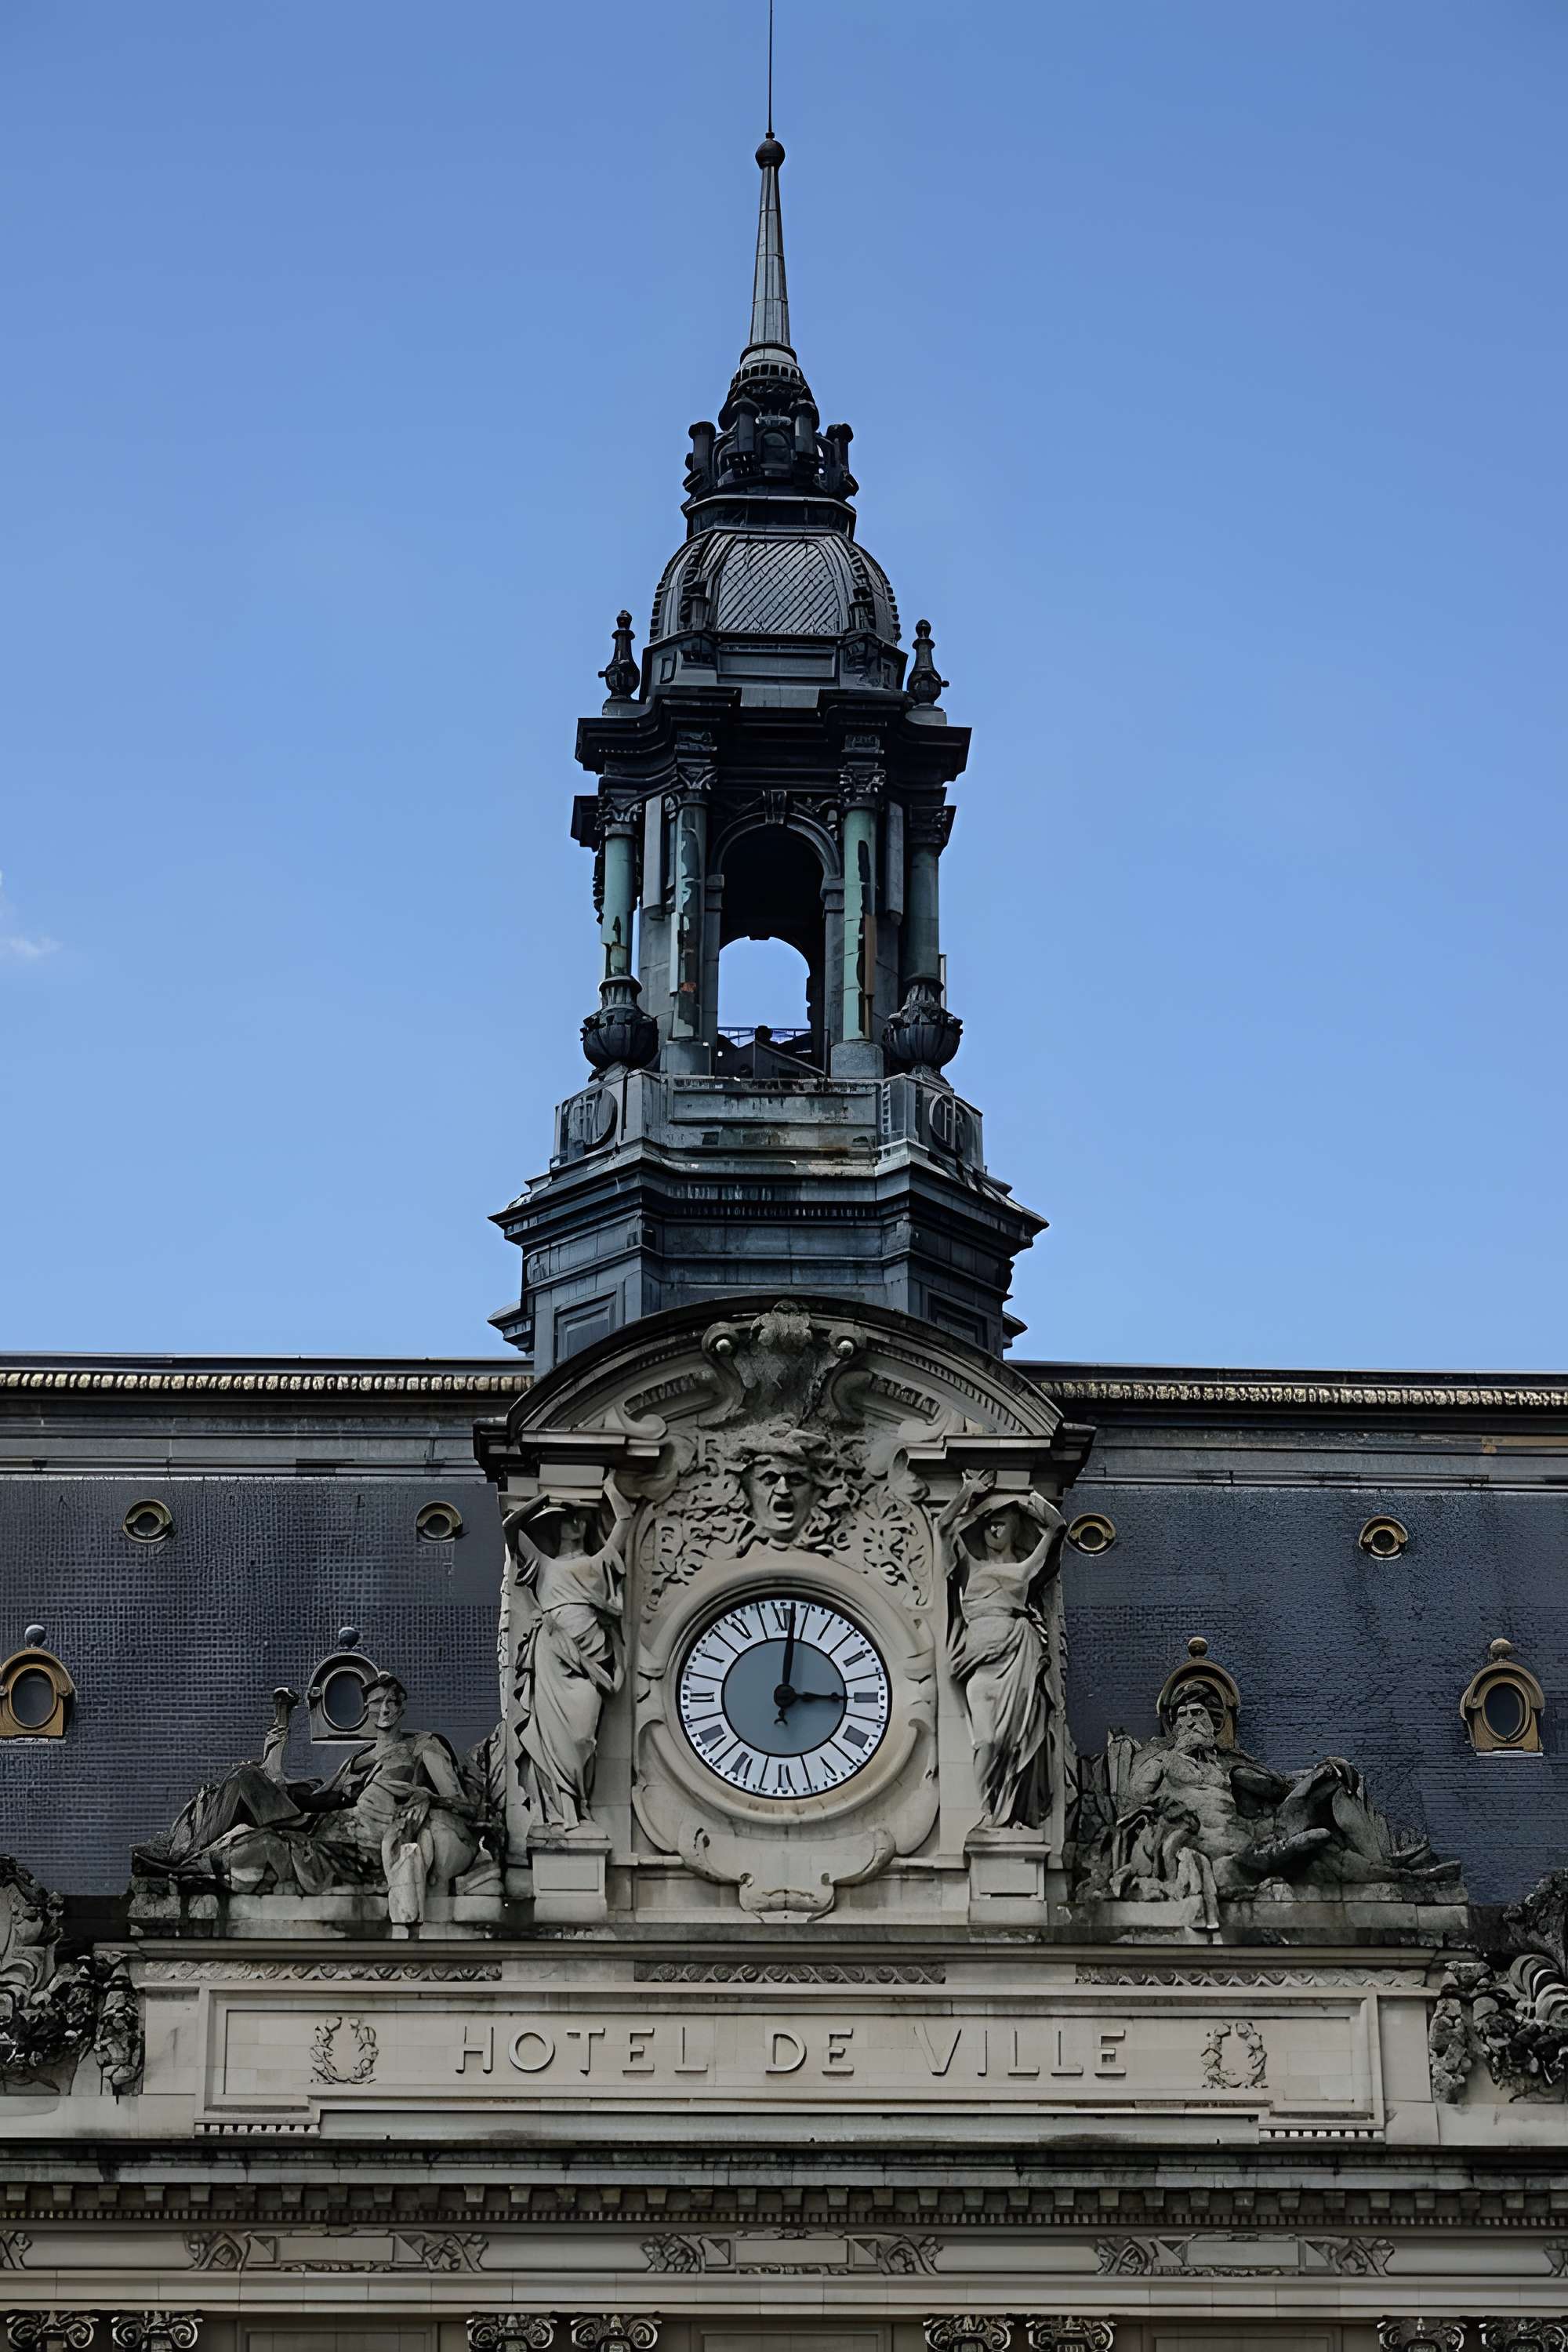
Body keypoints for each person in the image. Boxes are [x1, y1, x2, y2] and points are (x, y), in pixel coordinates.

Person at [938, 1469, 1067, 1830]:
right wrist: (967, 1492)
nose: (993, 1530)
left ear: (1014, 1529)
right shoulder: (970, 1567)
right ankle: (983, 1810)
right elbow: (943, 1528)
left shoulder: (1023, 1569)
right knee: (988, 1741)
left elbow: (1057, 1530)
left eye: (1002, 1524)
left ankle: (1001, 1816)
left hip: (1017, 1660)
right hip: (981, 1668)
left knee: (1014, 1743)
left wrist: (1035, 1502)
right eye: (989, 1524)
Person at [506, 1479, 634, 1834]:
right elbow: (510, 1527)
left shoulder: (599, 1563)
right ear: (555, 1525)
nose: (575, 1522)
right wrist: (545, 1496)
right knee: (555, 1737)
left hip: (591, 1657)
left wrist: (610, 1485)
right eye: (567, 1517)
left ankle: (577, 1800)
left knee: (583, 1737)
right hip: (553, 1651)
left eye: (579, 1517)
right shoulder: (544, 1565)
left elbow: (624, 1520)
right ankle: (567, 1811)